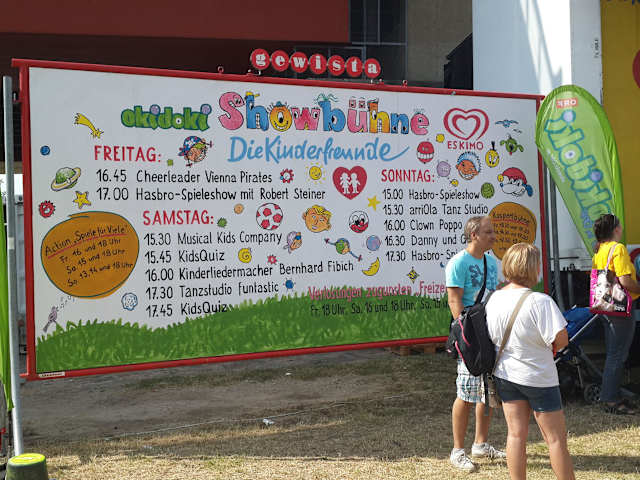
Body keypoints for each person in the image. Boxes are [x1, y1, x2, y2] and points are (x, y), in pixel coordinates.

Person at [485, 243, 574, 480]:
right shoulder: (540, 301)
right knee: (555, 439)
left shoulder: (494, 299)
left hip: (506, 374)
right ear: (533, 268)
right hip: (539, 377)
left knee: (515, 435)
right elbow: (561, 340)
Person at [445, 216, 504, 472]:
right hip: (471, 335)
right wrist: (466, 335)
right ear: (474, 235)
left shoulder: (491, 262)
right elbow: (454, 300)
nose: (493, 236)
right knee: (465, 392)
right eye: (488, 232)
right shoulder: (458, 262)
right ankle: (457, 451)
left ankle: (480, 444)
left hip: (489, 332)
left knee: (486, 390)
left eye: (493, 232)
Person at [592, 213, 640, 414]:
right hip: (620, 308)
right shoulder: (618, 249)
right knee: (618, 354)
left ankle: (612, 395)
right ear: (616, 229)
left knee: (614, 352)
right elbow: (625, 281)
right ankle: (611, 400)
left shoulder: (599, 249)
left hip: (605, 306)